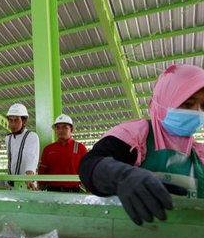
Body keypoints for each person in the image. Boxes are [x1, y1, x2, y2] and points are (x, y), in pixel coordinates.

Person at [79, 64, 204, 226]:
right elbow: (89, 165)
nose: (197, 112)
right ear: (164, 100)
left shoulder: (199, 153)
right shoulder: (136, 135)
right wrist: (122, 176)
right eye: (187, 104)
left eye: (203, 106)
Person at [38, 114, 87, 192]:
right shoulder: (48, 149)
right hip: (52, 192)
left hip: (73, 192)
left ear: (71, 129)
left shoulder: (80, 148)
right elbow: (43, 170)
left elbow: (86, 170)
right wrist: (40, 188)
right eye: (58, 128)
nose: (61, 130)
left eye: (65, 127)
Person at [5, 103, 39, 190]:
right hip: (11, 184)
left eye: (16, 120)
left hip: (26, 184)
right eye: (10, 120)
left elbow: (31, 159)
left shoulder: (31, 136)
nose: (12, 124)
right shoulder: (7, 138)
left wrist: (29, 179)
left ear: (24, 121)